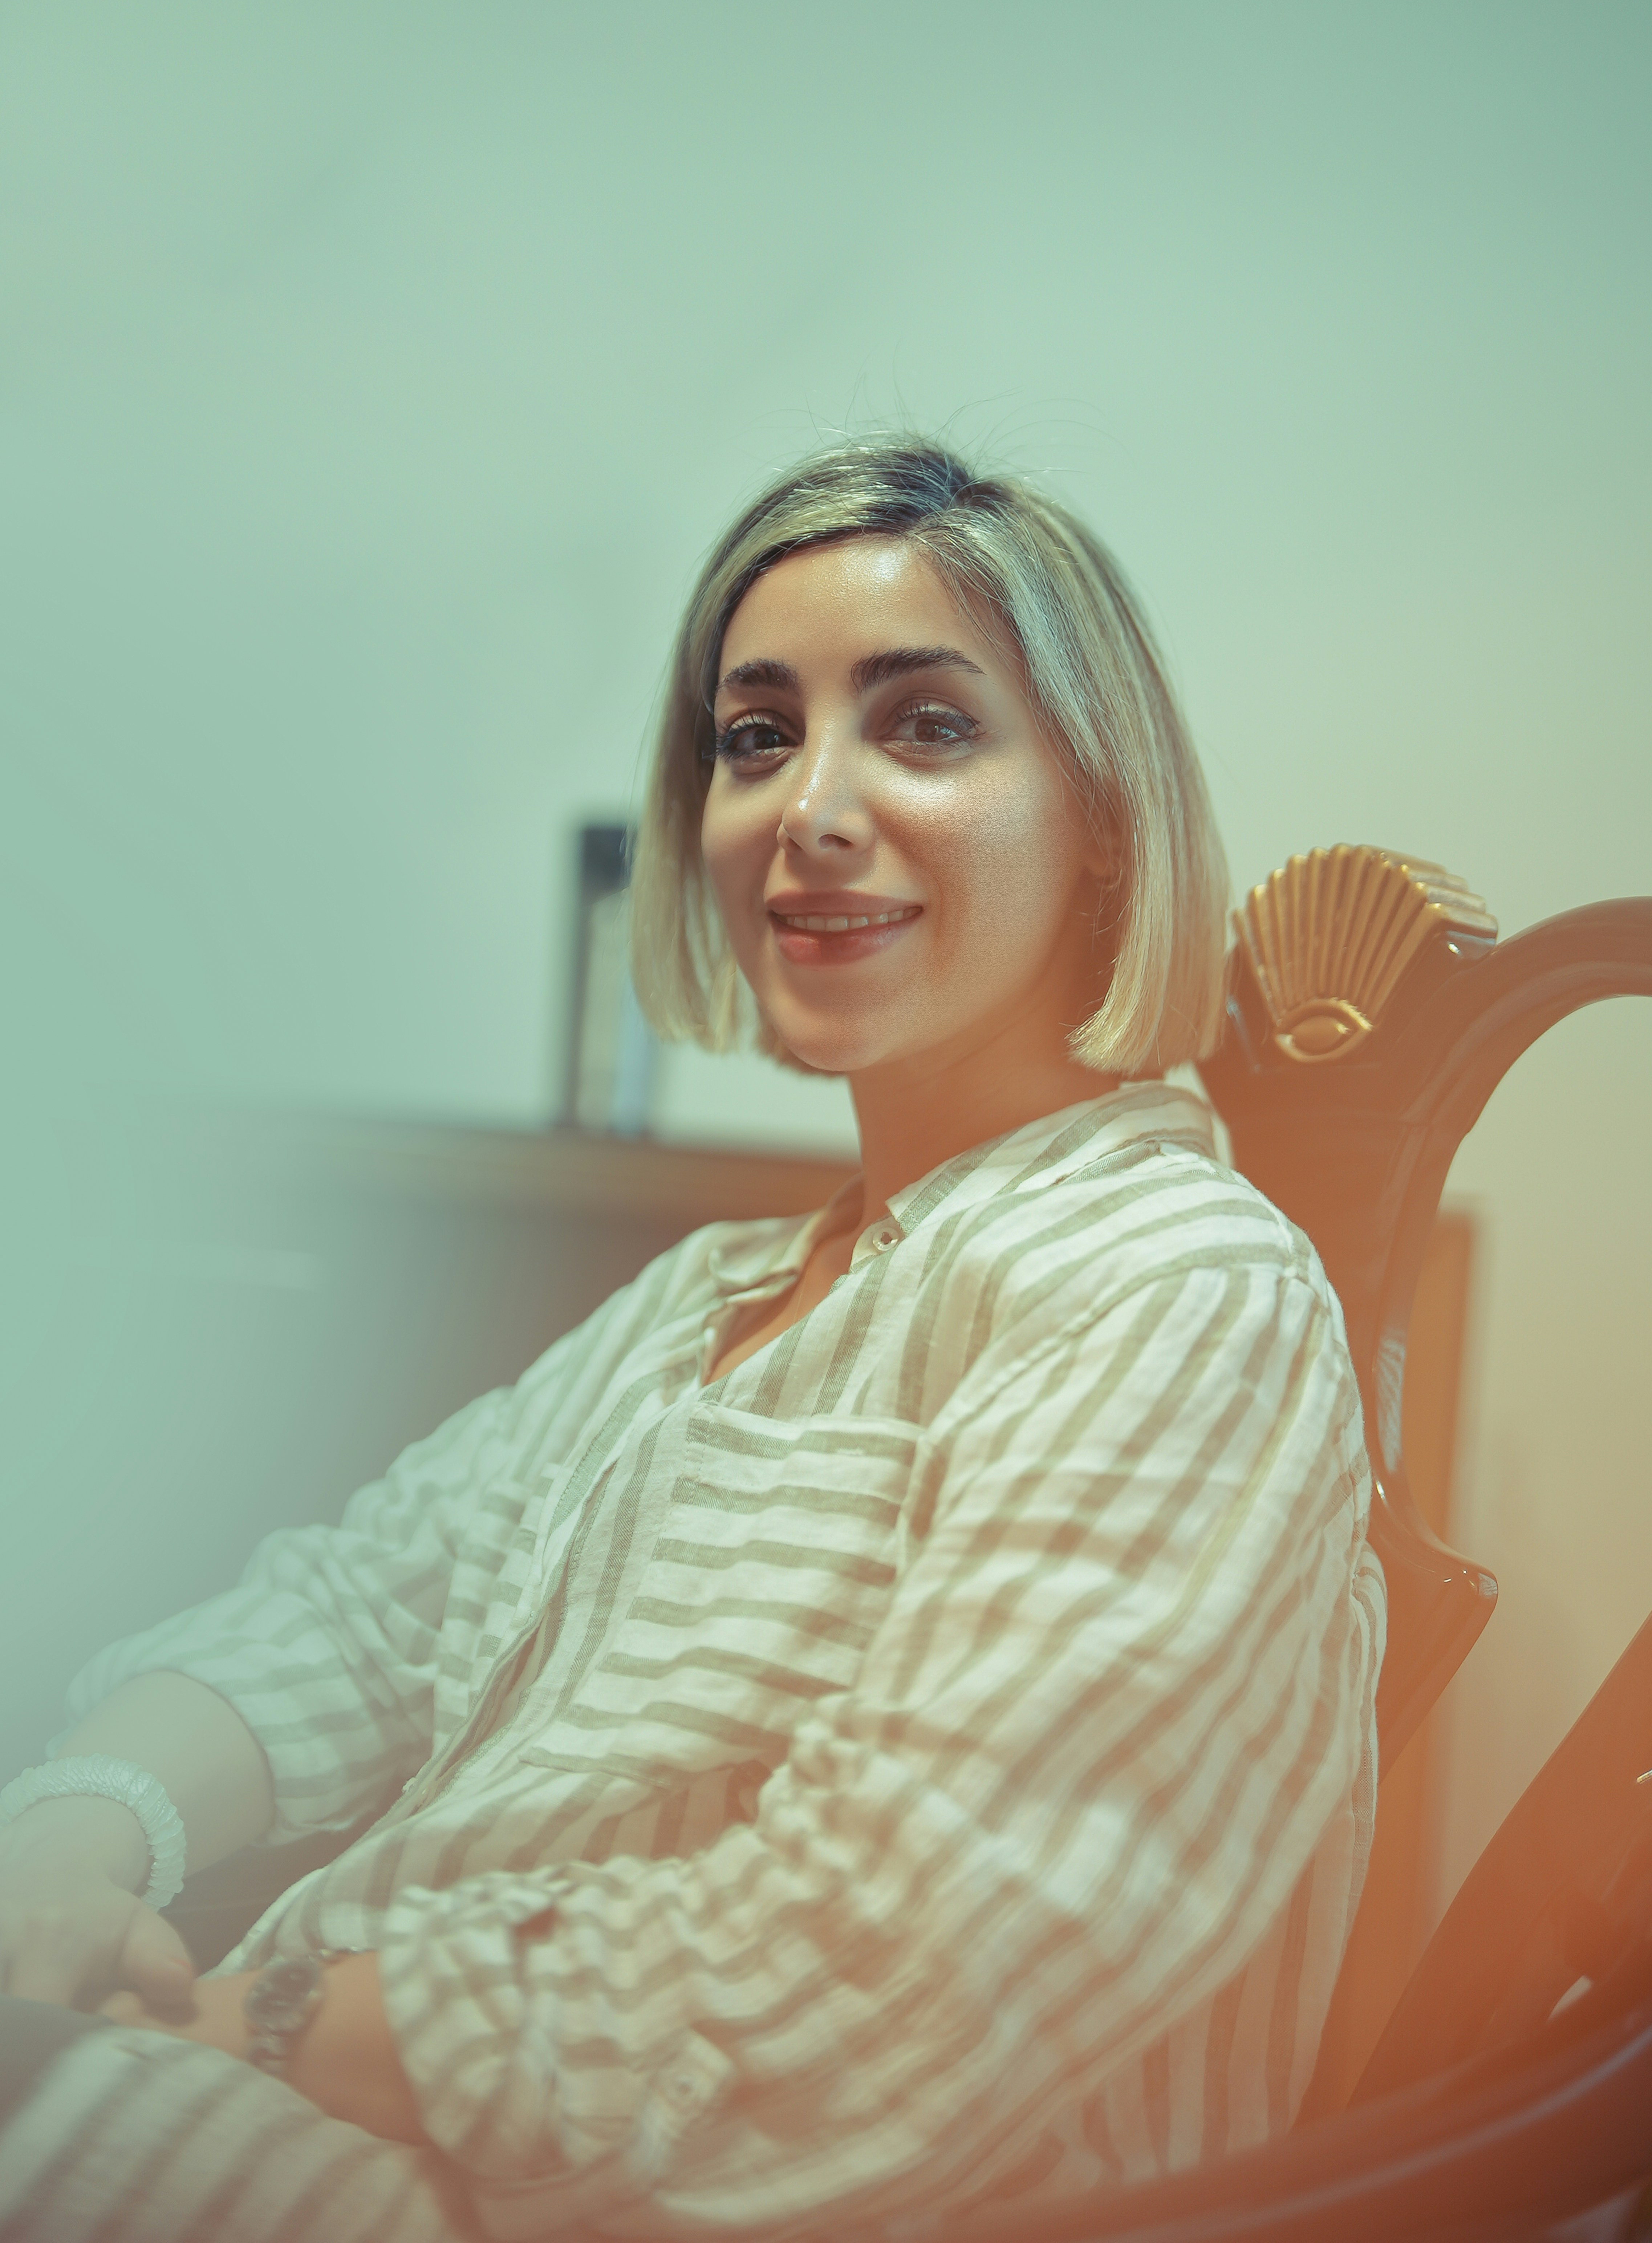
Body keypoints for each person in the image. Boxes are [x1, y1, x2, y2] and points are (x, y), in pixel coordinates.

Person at [0, 438, 1384, 2242]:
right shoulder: (712, 1296)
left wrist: (247, 2012)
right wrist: (81, 1834)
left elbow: (906, 1979)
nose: (809, 806)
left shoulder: (1174, 1288)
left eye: (929, 727)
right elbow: (350, 1611)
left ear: (1107, 818)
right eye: (756, 735)